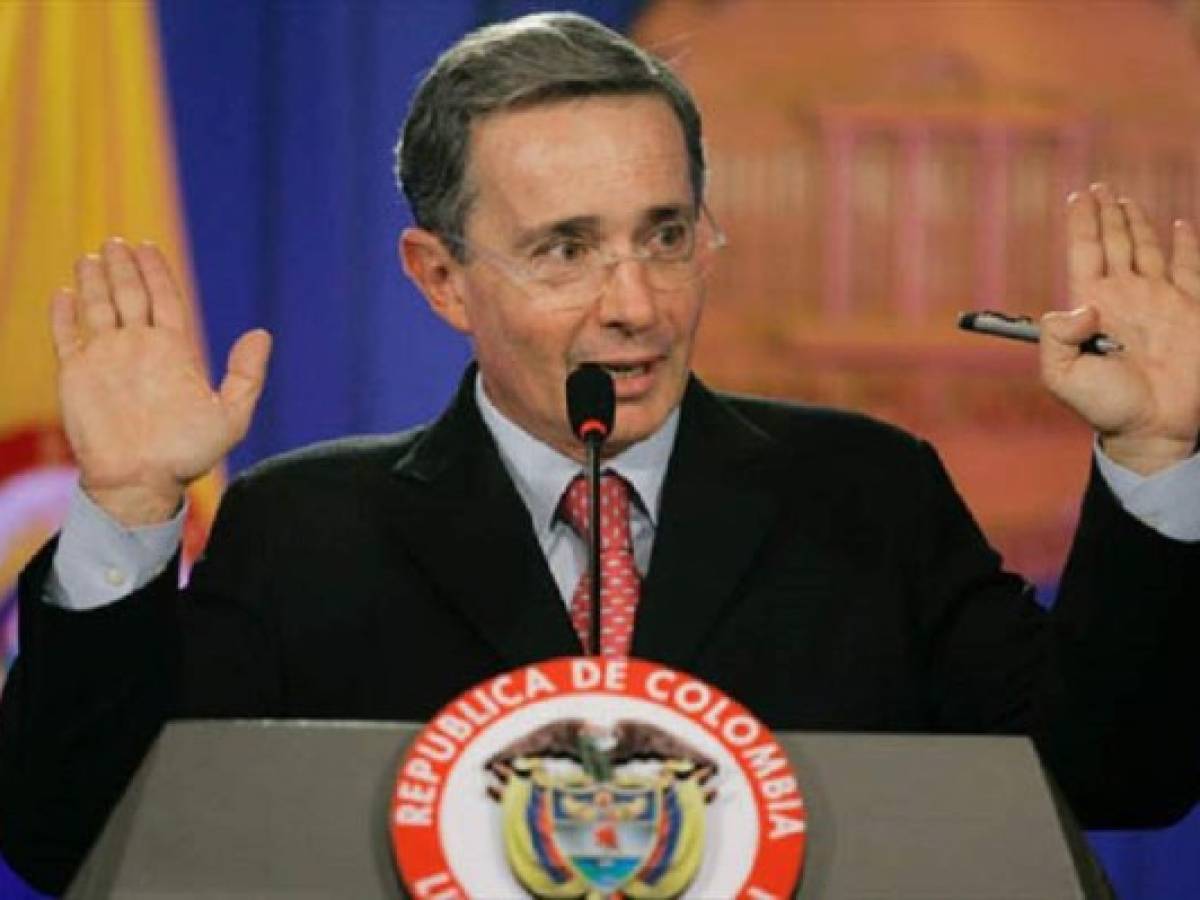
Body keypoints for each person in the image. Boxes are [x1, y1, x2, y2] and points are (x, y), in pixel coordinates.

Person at [3, 11, 1200, 895]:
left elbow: (1118, 779)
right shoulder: (307, 529)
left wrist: (1153, 455)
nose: (636, 304)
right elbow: (72, 837)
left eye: (665, 234)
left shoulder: (865, 496)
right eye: (565, 250)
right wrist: (124, 511)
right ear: (439, 279)